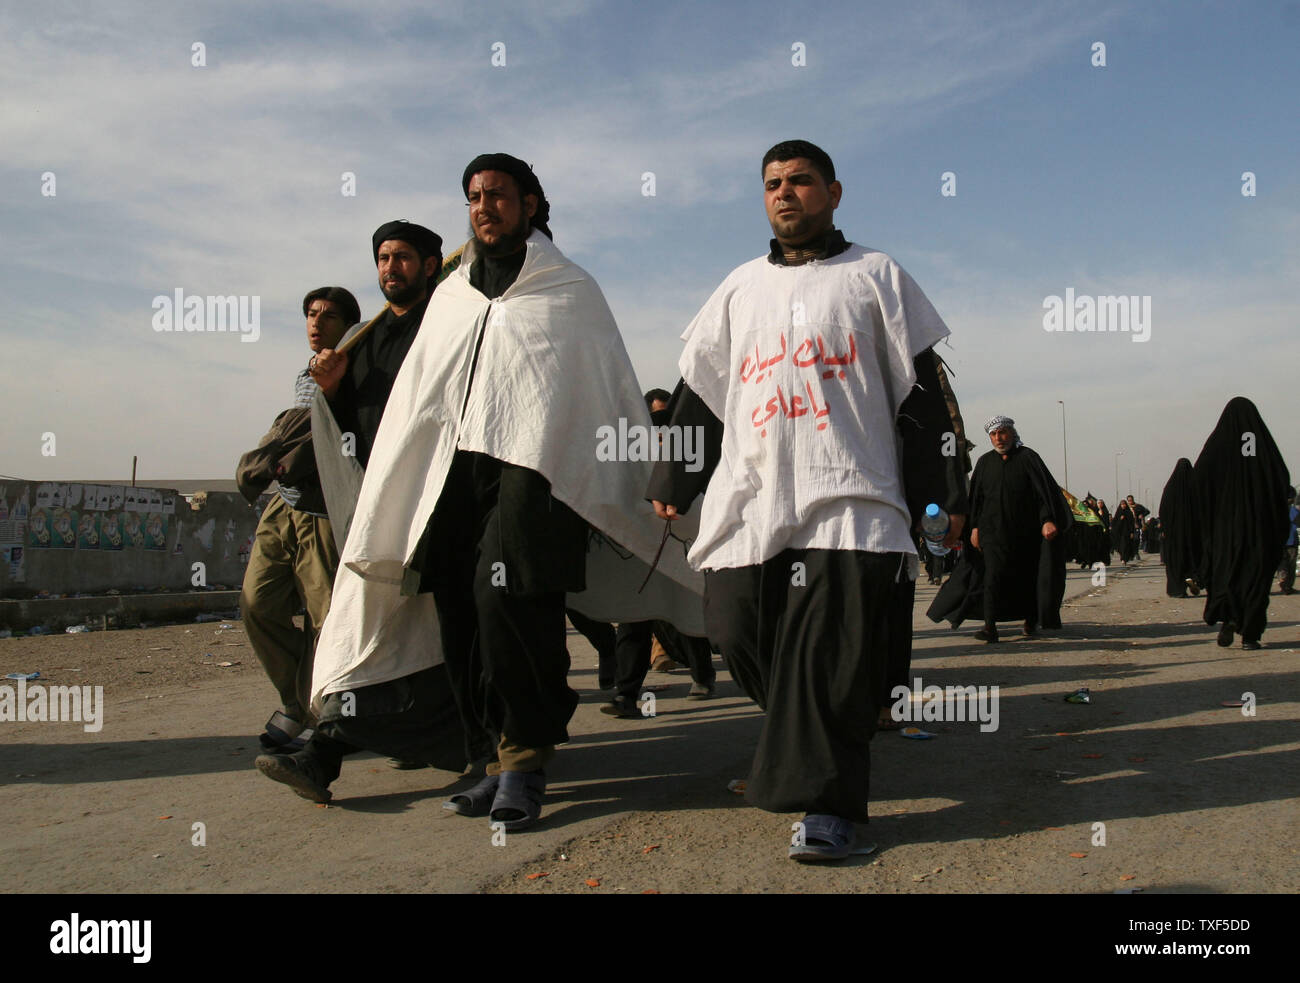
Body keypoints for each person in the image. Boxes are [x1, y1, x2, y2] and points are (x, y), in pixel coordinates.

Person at [305, 155, 701, 826]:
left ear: (530, 203)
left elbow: (602, 390)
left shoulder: (568, 289)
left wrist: (641, 475)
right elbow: (415, 400)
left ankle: (524, 759)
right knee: (458, 609)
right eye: (472, 197)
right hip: (452, 475)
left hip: (535, 478)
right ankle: (489, 753)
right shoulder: (453, 297)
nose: (483, 206)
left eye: (496, 194)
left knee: (508, 598)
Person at [648, 140, 967, 861]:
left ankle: (827, 806)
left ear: (834, 192)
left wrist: (941, 494)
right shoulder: (737, 287)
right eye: (772, 184)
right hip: (751, 500)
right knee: (734, 626)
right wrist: (675, 477)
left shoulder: (877, 277)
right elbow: (702, 391)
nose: (785, 194)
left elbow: (924, 400)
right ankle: (816, 731)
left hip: (848, 497)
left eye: (800, 182)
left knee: (826, 654)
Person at [254, 222, 478, 802]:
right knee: (363, 628)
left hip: (442, 506)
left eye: (403, 257)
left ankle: (482, 747)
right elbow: (353, 438)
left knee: (450, 633)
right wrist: (332, 394)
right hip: (381, 512)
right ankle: (323, 754)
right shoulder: (367, 341)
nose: (390, 268)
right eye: (382, 258)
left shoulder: (450, 326)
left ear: (432, 266)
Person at [239, 286, 359, 750]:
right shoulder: (303, 373)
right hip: (283, 506)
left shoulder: (358, 367)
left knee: (327, 622)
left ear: (349, 324)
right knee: (256, 603)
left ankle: (327, 720)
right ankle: (297, 702)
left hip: (325, 512)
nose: (316, 323)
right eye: (311, 314)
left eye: (328, 316)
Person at [1193, 397, 1290, 649]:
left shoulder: (1219, 445)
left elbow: (1200, 480)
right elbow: (1282, 481)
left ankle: (1229, 620)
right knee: (1255, 581)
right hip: (1260, 530)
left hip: (1226, 532)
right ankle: (1250, 636)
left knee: (1228, 577)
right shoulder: (1264, 446)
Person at [968, 416, 1072, 642]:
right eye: (994, 435)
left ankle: (1030, 620)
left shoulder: (1028, 458)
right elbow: (977, 498)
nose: (998, 438)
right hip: (992, 533)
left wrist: (1047, 520)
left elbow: (1043, 494)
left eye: (1003, 433)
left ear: (1013, 433)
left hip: (1026, 533)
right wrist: (974, 527)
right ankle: (990, 627)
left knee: (1028, 578)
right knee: (991, 578)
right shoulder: (984, 462)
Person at [1281, 486, 1297, 595]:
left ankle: (1283, 581)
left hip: (1280, 542)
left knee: (1282, 564)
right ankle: (1287, 586)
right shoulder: (1294, 511)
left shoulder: (1275, 510)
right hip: (1291, 542)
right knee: (1290, 565)